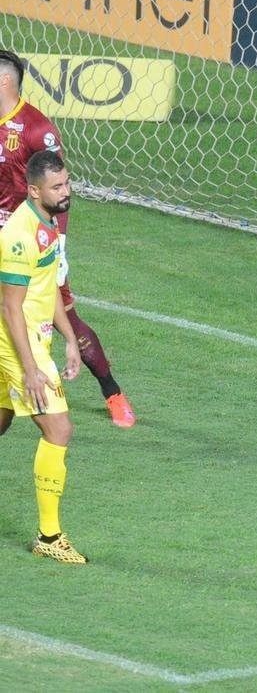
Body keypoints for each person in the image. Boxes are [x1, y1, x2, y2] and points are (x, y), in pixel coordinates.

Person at [0, 50, 135, 427]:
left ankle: (112, 391)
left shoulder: (35, 129)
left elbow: (59, 191)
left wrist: (57, 243)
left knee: (66, 319)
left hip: (33, 241)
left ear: (4, 82)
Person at [0, 151, 88, 563]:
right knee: (59, 430)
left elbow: (48, 285)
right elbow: (10, 307)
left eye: (67, 183)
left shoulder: (47, 223)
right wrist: (31, 368)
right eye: (57, 187)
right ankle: (49, 537)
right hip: (16, 342)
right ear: (34, 190)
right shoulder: (19, 235)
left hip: (34, 337)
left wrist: (70, 338)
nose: (66, 192)